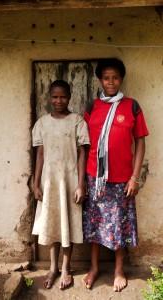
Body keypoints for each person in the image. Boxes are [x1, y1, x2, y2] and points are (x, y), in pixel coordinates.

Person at [83, 58, 149, 292]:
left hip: (123, 179)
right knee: (94, 224)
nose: (111, 82)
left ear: (121, 79)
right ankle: (94, 267)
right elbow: (84, 144)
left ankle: (119, 270)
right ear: (100, 80)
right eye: (106, 78)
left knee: (120, 225)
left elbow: (140, 143)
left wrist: (135, 177)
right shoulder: (92, 107)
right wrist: (81, 180)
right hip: (95, 177)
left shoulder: (131, 106)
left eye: (115, 77)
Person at [32, 80, 90, 290]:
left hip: (70, 179)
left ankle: (66, 267)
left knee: (68, 222)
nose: (59, 100)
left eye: (63, 97)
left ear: (69, 97)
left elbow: (83, 153)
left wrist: (81, 183)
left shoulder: (77, 121)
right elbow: (40, 155)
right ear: (49, 98)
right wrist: (36, 182)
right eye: (55, 97)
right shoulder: (42, 123)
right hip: (49, 181)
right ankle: (52, 267)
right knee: (52, 222)